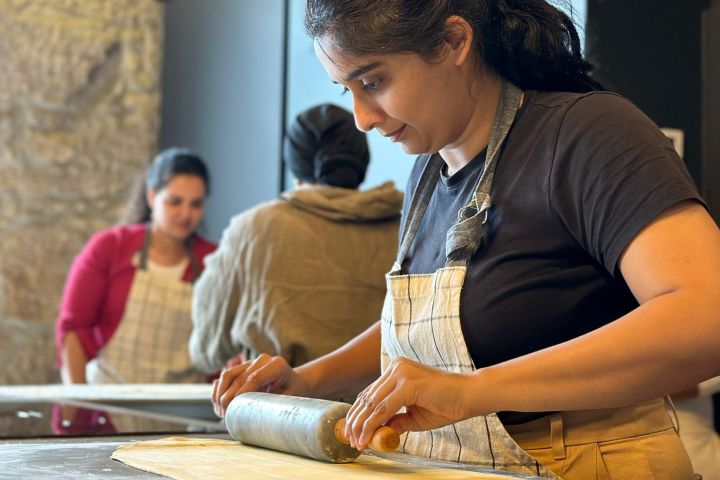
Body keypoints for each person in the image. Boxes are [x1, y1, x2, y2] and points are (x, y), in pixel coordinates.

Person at [212, 1, 720, 478]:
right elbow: (445, 325)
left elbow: (707, 316)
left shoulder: (586, 134)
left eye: (374, 81)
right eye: (349, 91)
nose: (363, 118)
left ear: (455, 40)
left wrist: (473, 392)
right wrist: (309, 382)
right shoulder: (428, 174)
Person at [189, 103, 402, 373]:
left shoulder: (255, 229)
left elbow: (208, 348)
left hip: (278, 410)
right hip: (382, 411)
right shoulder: (405, 229)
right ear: (361, 159)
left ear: (294, 163)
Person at [55, 147, 217, 385]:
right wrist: (77, 405)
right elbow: (74, 329)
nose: (186, 214)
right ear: (152, 196)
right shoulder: (110, 247)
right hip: (108, 402)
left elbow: (220, 344)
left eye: (196, 204)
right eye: (175, 202)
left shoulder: (212, 260)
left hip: (181, 409)